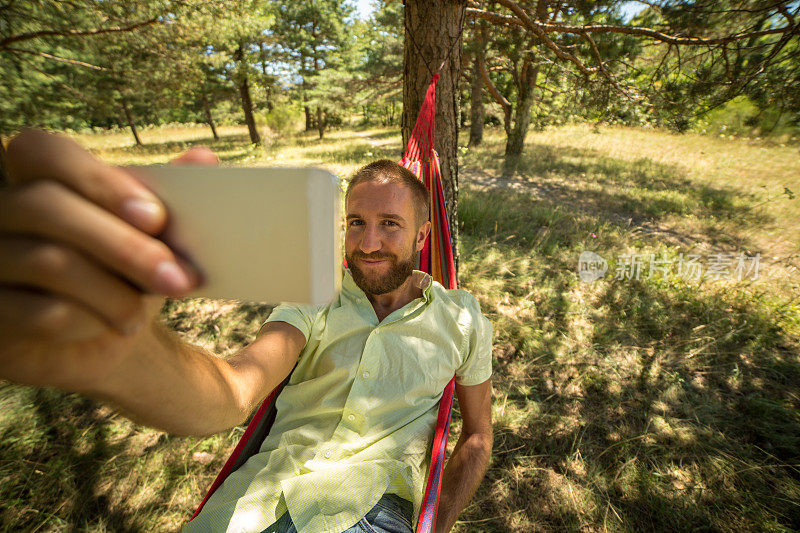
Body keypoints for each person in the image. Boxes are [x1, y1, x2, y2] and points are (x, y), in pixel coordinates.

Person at [0, 129, 493, 533]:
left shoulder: (461, 317)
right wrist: (124, 352)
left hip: (373, 508)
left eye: (390, 224)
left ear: (423, 236)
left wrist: (440, 519)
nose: (367, 243)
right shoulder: (316, 293)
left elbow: (477, 436)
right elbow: (237, 388)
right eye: (355, 222)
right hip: (257, 503)